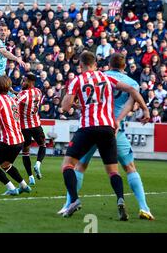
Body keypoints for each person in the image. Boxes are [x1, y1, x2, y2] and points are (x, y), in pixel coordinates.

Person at [58, 53, 154, 220]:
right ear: (124, 66)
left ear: (107, 64)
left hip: (88, 128)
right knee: (125, 168)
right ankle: (142, 207)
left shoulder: (87, 78)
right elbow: (132, 97)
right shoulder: (125, 81)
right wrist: (144, 110)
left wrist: (72, 101)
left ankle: (69, 203)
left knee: (76, 166)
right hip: (113, 128)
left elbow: (68, 107)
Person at [0, 76, 32, 196]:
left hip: (8, 142)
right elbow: (8, 122)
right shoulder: (12, 100)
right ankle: (24, 186)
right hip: (19, 140)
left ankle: (11, 189)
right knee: (6, 165)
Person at [15, 74, 46, 185]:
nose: (22, 83)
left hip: (24, 127)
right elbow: (23, 97)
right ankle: (38, 164)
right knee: (42, 145)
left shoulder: (22, 94)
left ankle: (30, 176)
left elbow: (15, 102)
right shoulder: (38, 91)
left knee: (25, 152)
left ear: (29, 82)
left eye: (24, 81)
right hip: (36, 125)